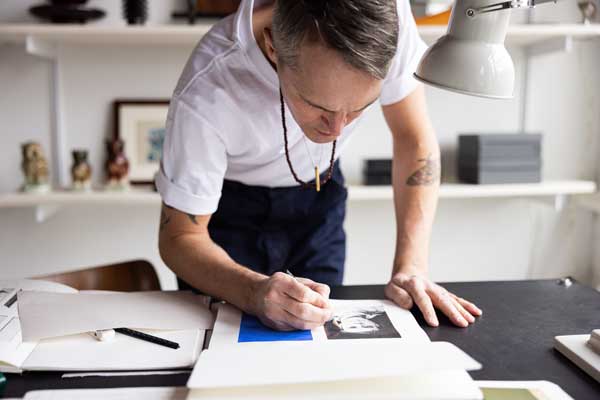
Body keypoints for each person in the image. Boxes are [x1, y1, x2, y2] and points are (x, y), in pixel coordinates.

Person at [157, 0, 482, 332]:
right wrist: (253, 291)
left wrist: (412, 266)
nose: (336, 130)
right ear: (272, 47)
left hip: (319, 192)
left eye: (359, 108)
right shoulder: (208, 86)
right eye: (318, 106)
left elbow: (414, 140)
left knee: (317, 335)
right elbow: (180, 237)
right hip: (228, 214)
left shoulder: (389, 22)